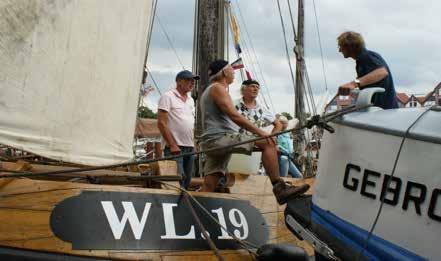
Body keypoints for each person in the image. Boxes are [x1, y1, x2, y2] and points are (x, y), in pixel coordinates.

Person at [199, 59, 309, 204]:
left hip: (212, 142)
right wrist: (261, 132)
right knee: (268, 142)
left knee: (210, 184)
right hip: (221, 139)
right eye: (232, 70)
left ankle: (194, 205)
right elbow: (234, 115)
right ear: (225, 72)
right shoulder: (217, 88)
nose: (234, 73)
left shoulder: (210, 90)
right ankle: (279, 188)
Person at [157, 70, 200, 189]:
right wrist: (172, 145)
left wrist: (193, 144)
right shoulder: (167, 97)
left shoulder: (191, 100)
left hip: (189, 147)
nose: (192, 83)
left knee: (187, 181)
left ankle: (182, 206)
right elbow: (161, 123)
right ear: (179, 81)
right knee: (176, 181)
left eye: (193, 81)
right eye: (188, 80)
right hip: (175, 147)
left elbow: (190, 124)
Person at [337, 31, 398, 109]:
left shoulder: (367, 57)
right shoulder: (362, 61)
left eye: (340, 47)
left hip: (384, 112)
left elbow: (382, 72)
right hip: (378, 111)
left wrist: (353, 84)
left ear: (349, 47)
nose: (339, 50)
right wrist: (343, 94)